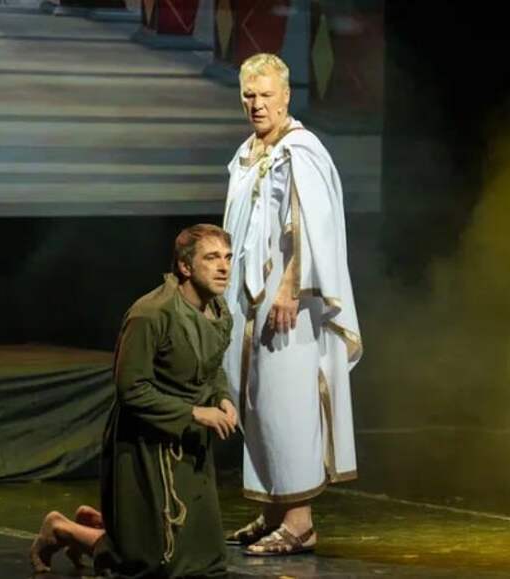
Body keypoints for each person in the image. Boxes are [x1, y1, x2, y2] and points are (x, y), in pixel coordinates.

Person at [30, 224, 238, 577]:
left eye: (228, 258)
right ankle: (61, 529)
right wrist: (195, 413)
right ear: (185, 266)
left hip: (188, 440)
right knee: (155, 563)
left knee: (203, 558)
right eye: (212, 258)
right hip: (145, 439)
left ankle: (103, 525)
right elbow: (131, 390)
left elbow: (212, 366)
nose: (224, 267)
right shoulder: (152, 313)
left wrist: (222, 397)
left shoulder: (218, 311)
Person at [221, 53, 362, 556]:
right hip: (247, 302)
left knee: (287, 404)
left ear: (285, 96)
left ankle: (300, 522)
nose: (257, 104)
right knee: (254, 400)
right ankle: (272, 509)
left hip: (288, 305)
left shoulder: (301, 149)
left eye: (266, 95)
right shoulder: (247, 152)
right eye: (249, 96)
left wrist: (291, 287)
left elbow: (312, 224)